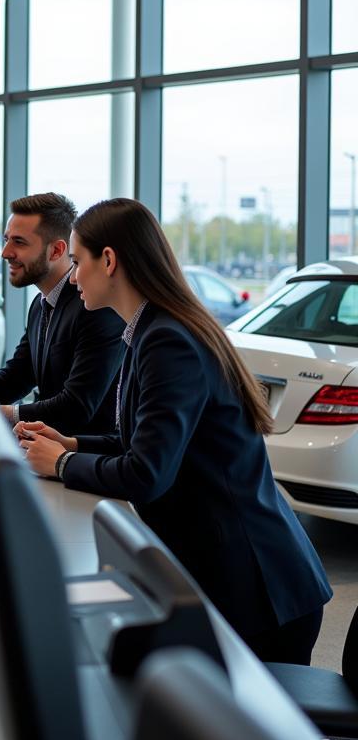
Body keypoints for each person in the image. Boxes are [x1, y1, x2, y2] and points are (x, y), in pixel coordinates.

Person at [20, 198, 331, 663]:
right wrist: (74, 443)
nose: (75, 275)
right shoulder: (150, 331)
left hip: (258, 588)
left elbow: (148, 473)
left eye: (80, 262)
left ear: (109, 261)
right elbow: (143, 442)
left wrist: (63, 464)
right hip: (234, 572)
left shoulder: (167, 340)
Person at [0, 193, 124, 431]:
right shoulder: (40, 304)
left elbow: (77, 407)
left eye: (19, 242)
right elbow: (17, 378)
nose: (5, 252)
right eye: (6, 240)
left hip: (78, 456)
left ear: (56, 251)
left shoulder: (94, 307)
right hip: (43, 447)